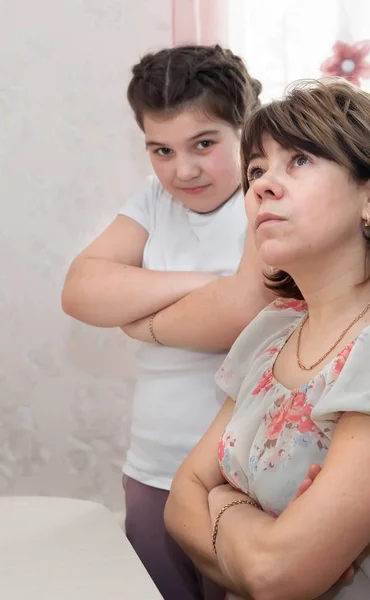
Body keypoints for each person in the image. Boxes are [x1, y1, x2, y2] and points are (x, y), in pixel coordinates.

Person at [165, 79, 370, 599]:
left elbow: (280, 575)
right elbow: (179, 497)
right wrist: (255, 533)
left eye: (298, 161)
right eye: (256, 170)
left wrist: (224, 503)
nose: (262, 186)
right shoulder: (271, 332)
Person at [61, 45, 273, 600]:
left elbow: (239, 315)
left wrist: (139, 315)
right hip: (152, 464)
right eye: (161, 149)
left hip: (245, 473)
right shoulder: (154, 201)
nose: (183, 169)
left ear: (245, 129)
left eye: (203, 144)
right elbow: (80, 291)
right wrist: (204, 283)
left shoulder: (266, 200)